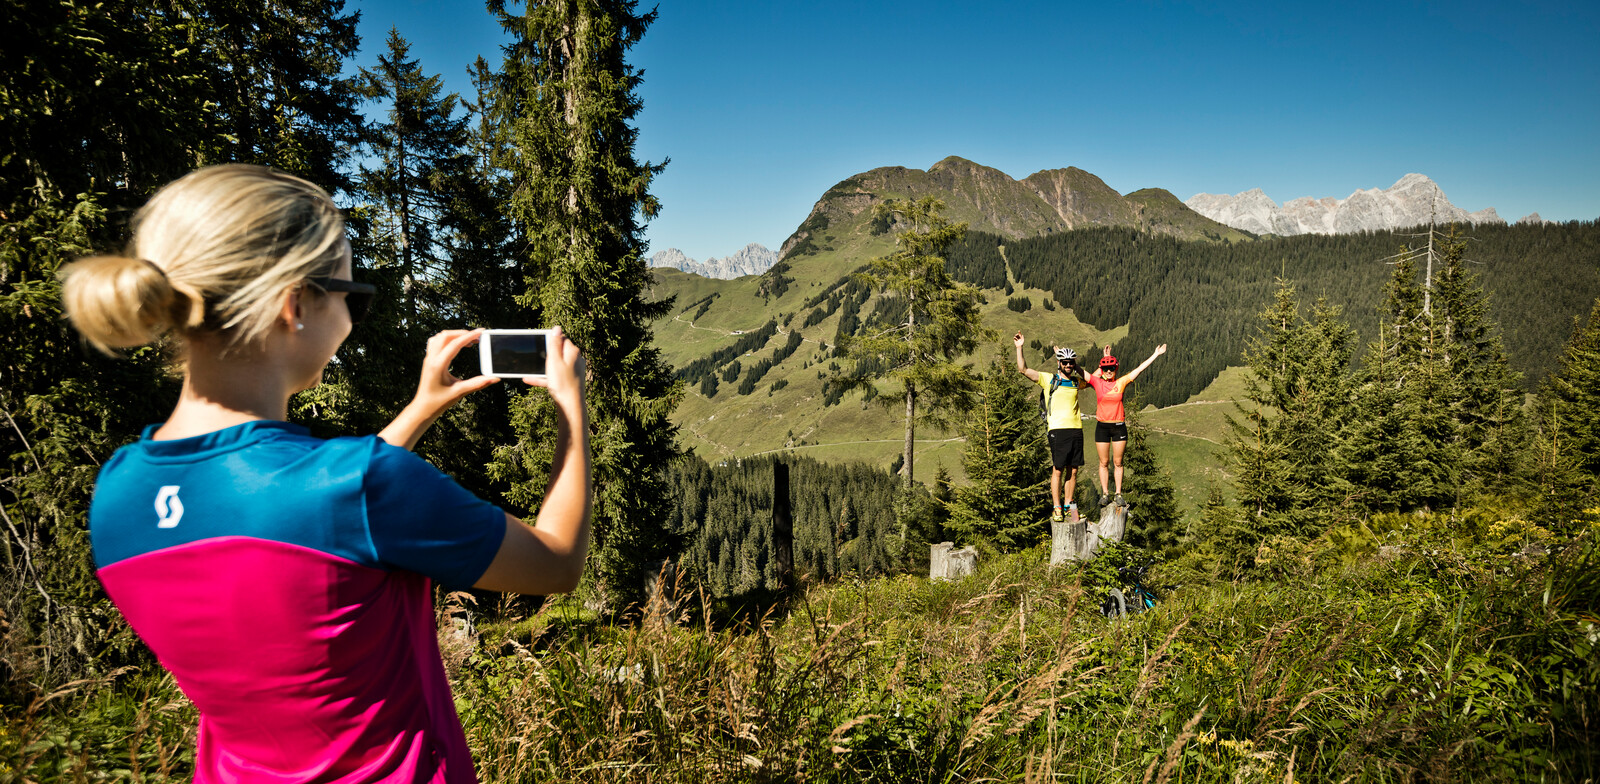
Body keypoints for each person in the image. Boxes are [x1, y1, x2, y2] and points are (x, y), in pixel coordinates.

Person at [60, 164, 591, 783]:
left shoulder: (118, 493)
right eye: (352, 297)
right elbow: (555, 563)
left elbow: (307, 522)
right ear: (294, 304)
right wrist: (570, 406)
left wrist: (419, 409)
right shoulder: (364, 484)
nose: (351, 314)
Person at [1013, 332, 1088, 523]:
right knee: (1058, 469)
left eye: (1072, 362)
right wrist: (1019, 347)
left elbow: (1093, 379)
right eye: (1065, 362)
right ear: (1059, 363)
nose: (1069, 365)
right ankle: (1056, 507)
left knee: (1073, 470)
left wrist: (1095, 362)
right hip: (1057, 430)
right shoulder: (1048, 380)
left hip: (1076, 429)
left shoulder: (1075, 382)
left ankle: (1069, 505)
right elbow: (1023, 370)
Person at [1086, 342, 1167, 507]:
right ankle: (1105, 494)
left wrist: (1156, 354)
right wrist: (1105, 357)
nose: (1109, 372)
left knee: (1118, 462)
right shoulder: (1097, 382)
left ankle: (1118, 493)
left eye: (1112, 369)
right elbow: (1081, 372)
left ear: (1116, 370)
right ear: (1101, 371)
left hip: (1118, 427)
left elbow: (1139, 369)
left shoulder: (1121, 382)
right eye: (1106, 370)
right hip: (1102, 427)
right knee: (1103, 462)